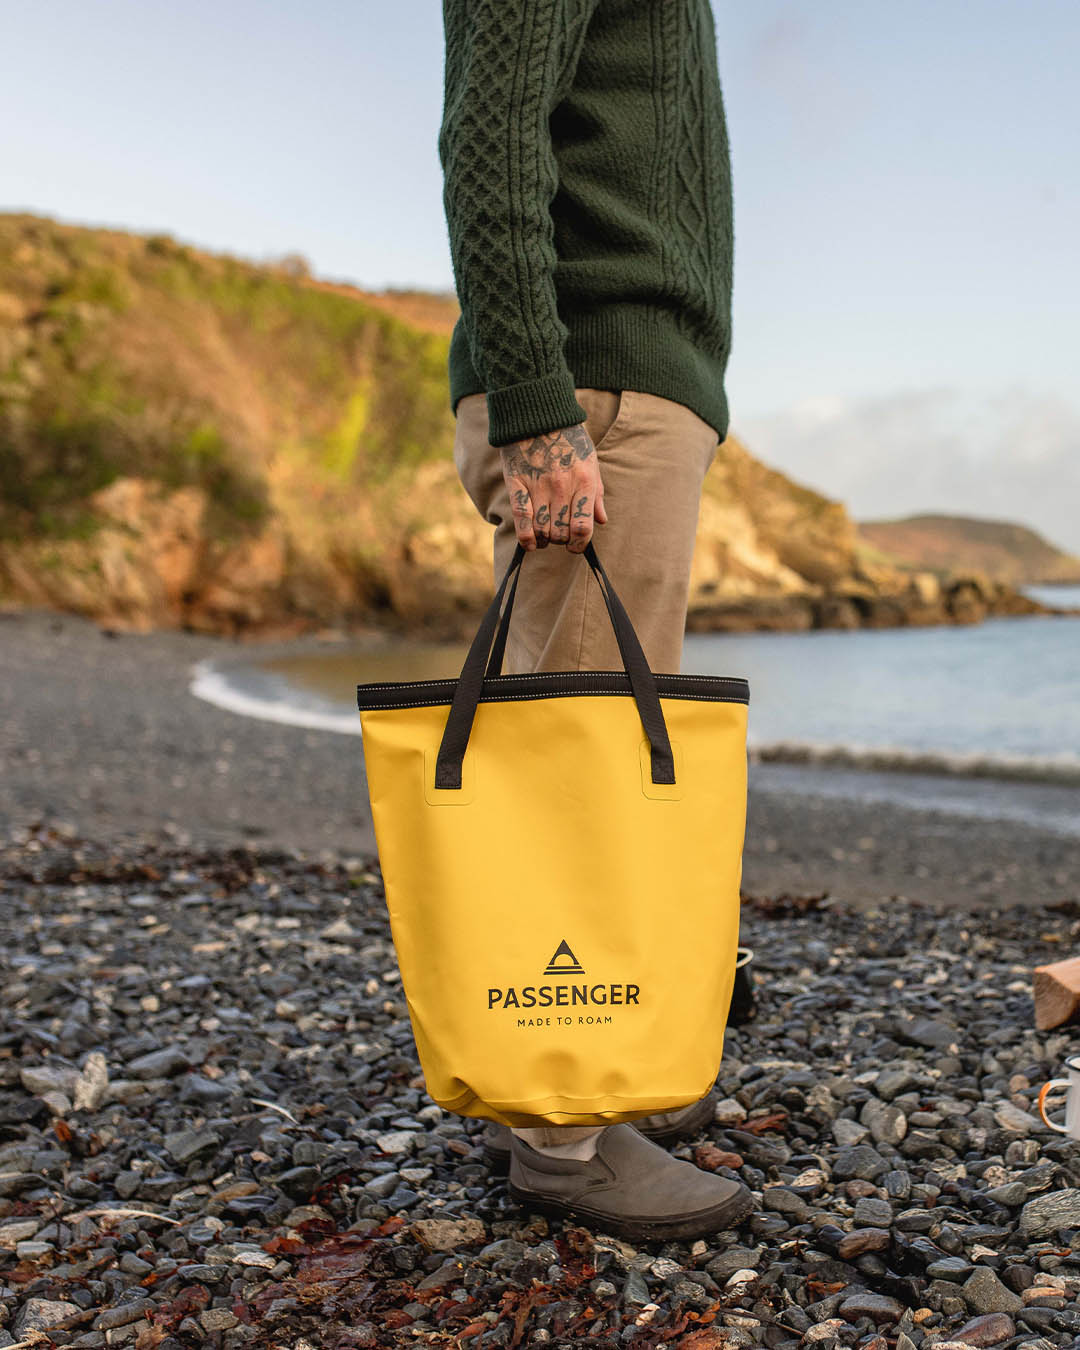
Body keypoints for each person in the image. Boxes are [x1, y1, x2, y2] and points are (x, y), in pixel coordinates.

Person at [438, 0, 752, 1240]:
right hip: (592, 392)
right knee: (578, 771)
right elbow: (493, 138)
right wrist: (537, 407)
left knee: (597, 760)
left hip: (624, 388)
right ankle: (562, 1142)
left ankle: (584, 1072)